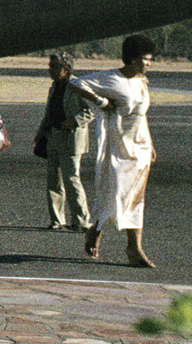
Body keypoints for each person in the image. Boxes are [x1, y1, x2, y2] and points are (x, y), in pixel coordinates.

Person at [71, 34, 157, 267]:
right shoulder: (112, 78)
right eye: (144, 59)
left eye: (150, 60)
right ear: (131, 58)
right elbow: (76, 83)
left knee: (136, 198)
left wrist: (150, 143)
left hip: (140, 148)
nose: (147, 64)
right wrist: (101, 102)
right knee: (114, 193)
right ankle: (96, 229)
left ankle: (134, 247)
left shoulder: (142, 81)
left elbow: (142, 114)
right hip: (118, 147)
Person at [36, 52, 93, 231]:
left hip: (70, 138)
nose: (50, 70)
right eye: (49, 66)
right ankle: (56, 220)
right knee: (53, 181)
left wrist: (75, 120)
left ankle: (81, 221)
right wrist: (41, 132)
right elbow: (49, 112)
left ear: (66, 69)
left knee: (71, 180)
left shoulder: (78, 85)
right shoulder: (54, 87)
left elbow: (92, 109)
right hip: (53, 135)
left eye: (54, 67)